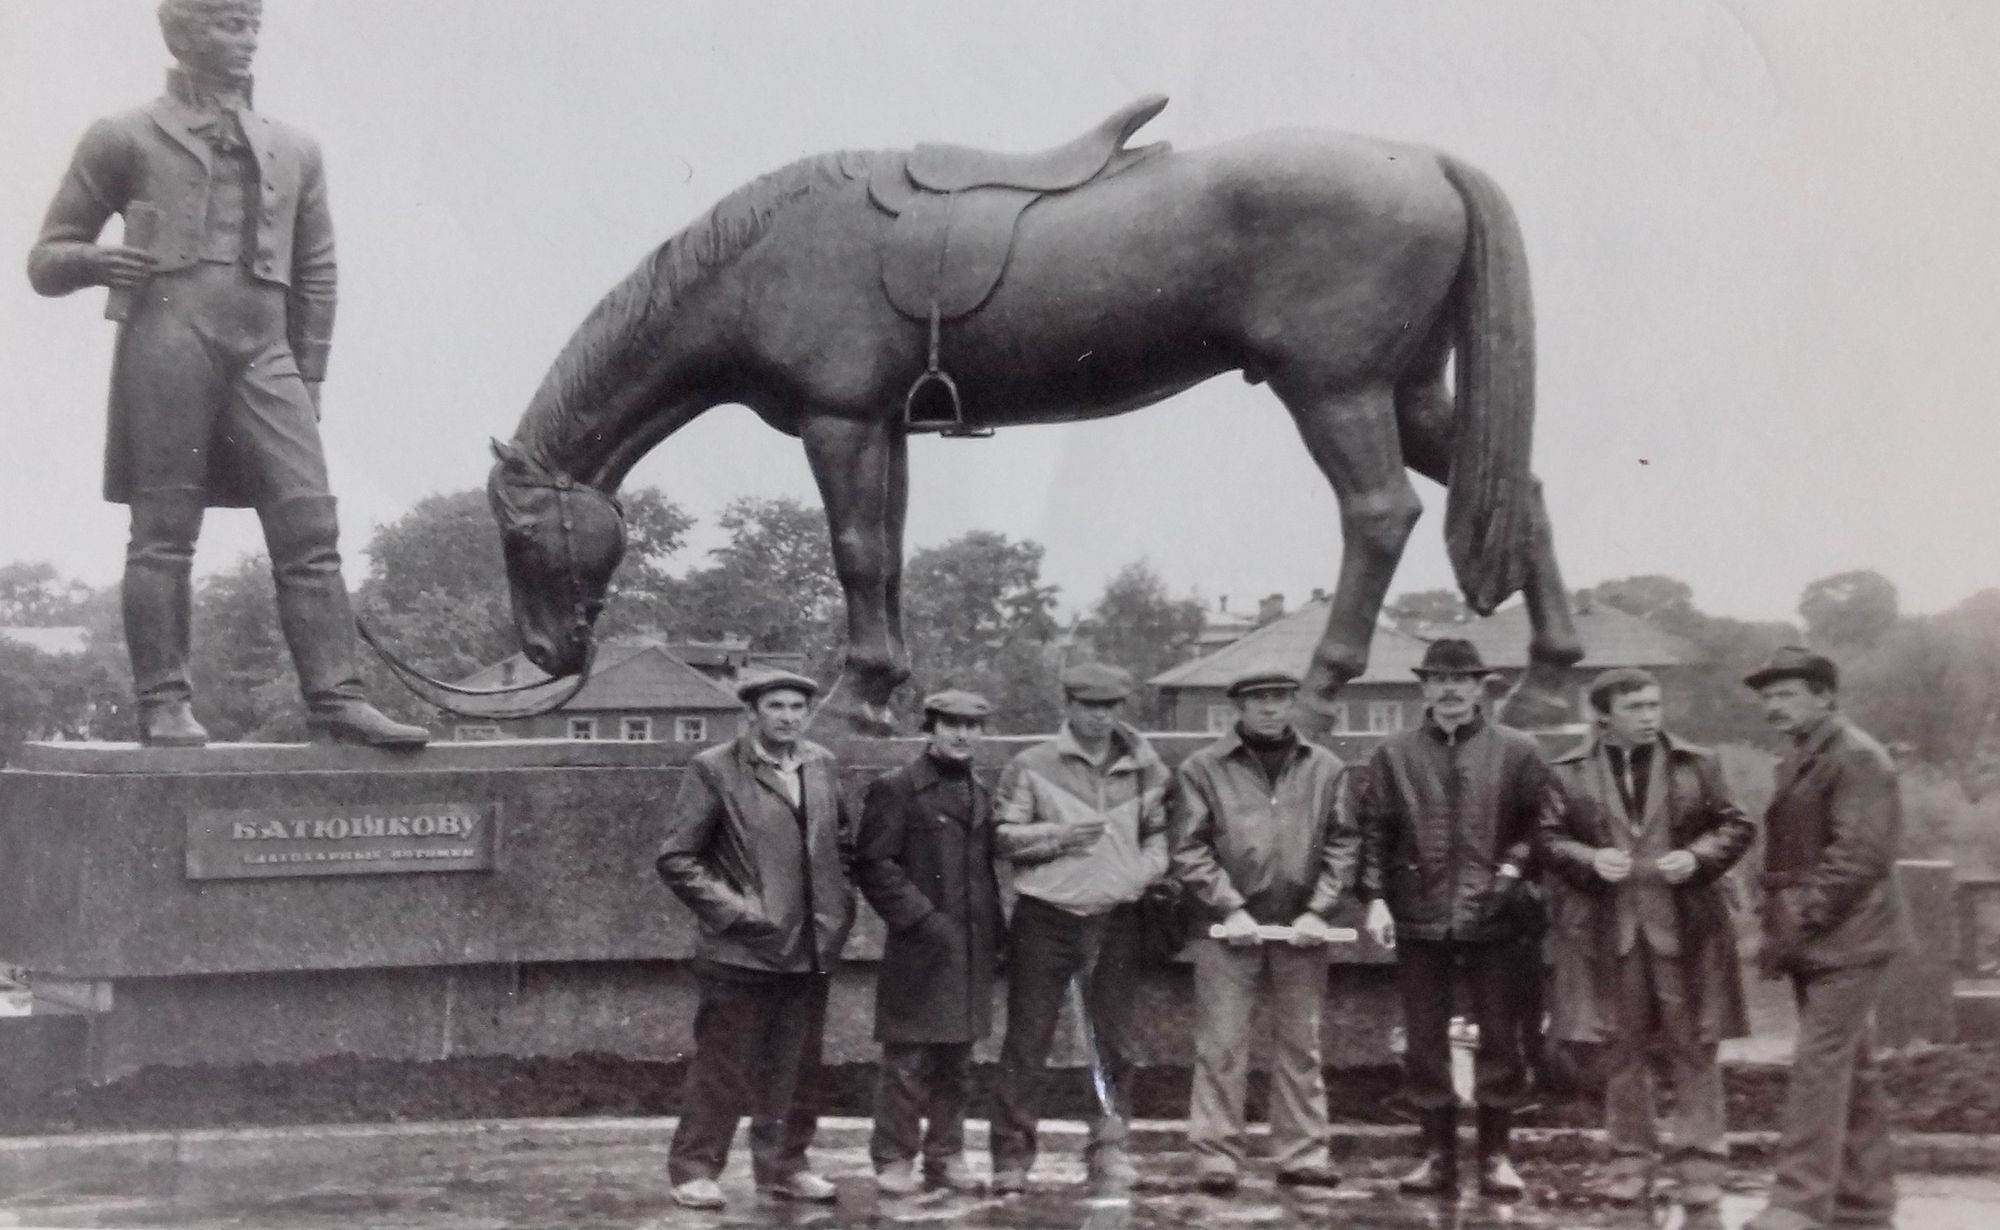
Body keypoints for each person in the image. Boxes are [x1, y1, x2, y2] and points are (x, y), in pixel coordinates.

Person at [25, 0, 424, 748]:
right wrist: (96, 261)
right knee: (163, 529)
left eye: (253, 25)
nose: (246, 41)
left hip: (266, 348)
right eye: (227, 24)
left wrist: (310, 374)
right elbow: (45, 259)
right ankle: (163, 702)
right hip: (168, 340)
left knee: (310, 523)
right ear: (179, 31)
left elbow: (317, 268)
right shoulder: (123, 135)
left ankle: (337, 698)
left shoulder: (296, 147)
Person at [1540, 668, 1755, 1212]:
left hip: (1687, 929)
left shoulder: (1697, 763)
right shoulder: (1567, 772)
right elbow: (1547, 838)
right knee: (1620, 1049)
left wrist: (1698, 857)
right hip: (1609, 931)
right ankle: (1629, 1164)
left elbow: (1736, 825)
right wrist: (1590, 858)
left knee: (1695, 1046)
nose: (1649, 716)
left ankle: (1700, 1167)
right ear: (1603, 716)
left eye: (1654, 705)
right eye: (1634, 707)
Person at [653, 669, 856, 1210]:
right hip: (740, 952)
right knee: (723, 1066)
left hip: (810, 946)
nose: (788, 717)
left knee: (797, 1068)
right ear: (752, 713)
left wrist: (838, 907)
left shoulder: (821, 764)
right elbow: (677, 858)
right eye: (776, 706)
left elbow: (840, 844)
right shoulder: (714, 768)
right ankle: (695, 1170)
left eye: (797, 707)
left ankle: (785, 1167)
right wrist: (741, 916)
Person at [1356, 638, 1551, 1198]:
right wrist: (1374, 897)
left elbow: (1541, 826)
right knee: (1424, 1039)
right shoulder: (1394, 753)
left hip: (1498, 914)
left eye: (1461, 679)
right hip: (1418, 911)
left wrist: (1510, 874)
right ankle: (1437, 1155)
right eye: (1439, 679)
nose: (1450, 690)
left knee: (1500, 1036)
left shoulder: (1518, 750)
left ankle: (1496, 1156)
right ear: (1424, 688)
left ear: (1479, 687)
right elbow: (1375, 829)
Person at [1741, 647, 1910, 1230]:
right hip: (1826, 939)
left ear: (1825, 695)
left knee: (1818, 1067)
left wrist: (1801, 917)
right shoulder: (1809, 756)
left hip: (1848, 939)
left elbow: (1860, 855)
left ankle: (1798, 1204)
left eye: (1786, 694)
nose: (1773, 706)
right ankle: (1864, 1203)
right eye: (1767, 696)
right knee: (1850, 1069)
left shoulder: (1855, 756)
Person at [1170, 667, 1355, 1194]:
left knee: (1301, 1043)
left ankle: (1304, 1153)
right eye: (1259, 700)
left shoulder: (1325, 768)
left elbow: (1344, 842)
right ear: (1239, 708)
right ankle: (1216, 1156)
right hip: (1226, 930)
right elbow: (1188, 846)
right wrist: (1228, 906)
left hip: (1301, 929)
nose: (1271, 708)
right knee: (1221, 1045)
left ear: (1293, 704)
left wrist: (1319, 910)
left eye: (1280, 698)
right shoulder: (1202, 768)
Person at [989, 662, 1170, 1195]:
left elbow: (1160, 838)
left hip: (1117, 919)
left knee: (1113, 1039)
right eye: (1090, 706)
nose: (1100, 716)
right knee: (1027, 1041)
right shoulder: (1032, 764)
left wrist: (1135, 876)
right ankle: (1012, 1159)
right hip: (1045, 915)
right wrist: (1060, 836)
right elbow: (1002, 837)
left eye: (1110, 706)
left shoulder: (1147, 768)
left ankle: (1108, 1150)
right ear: (1068, 706)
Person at [854, 689, 1004, 1196]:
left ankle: (946, 1155)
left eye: (972, 725)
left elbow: (983, 872)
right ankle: (894, 1157)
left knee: (958, 1062)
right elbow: (874, 864)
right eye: (950, 724)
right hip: (920, 946)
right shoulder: (897, 788)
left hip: (972, 946)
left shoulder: (979, 791)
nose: (962, 734)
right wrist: (923, 921)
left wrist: (994, 935)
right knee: (908, 1059)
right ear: (931, 728)